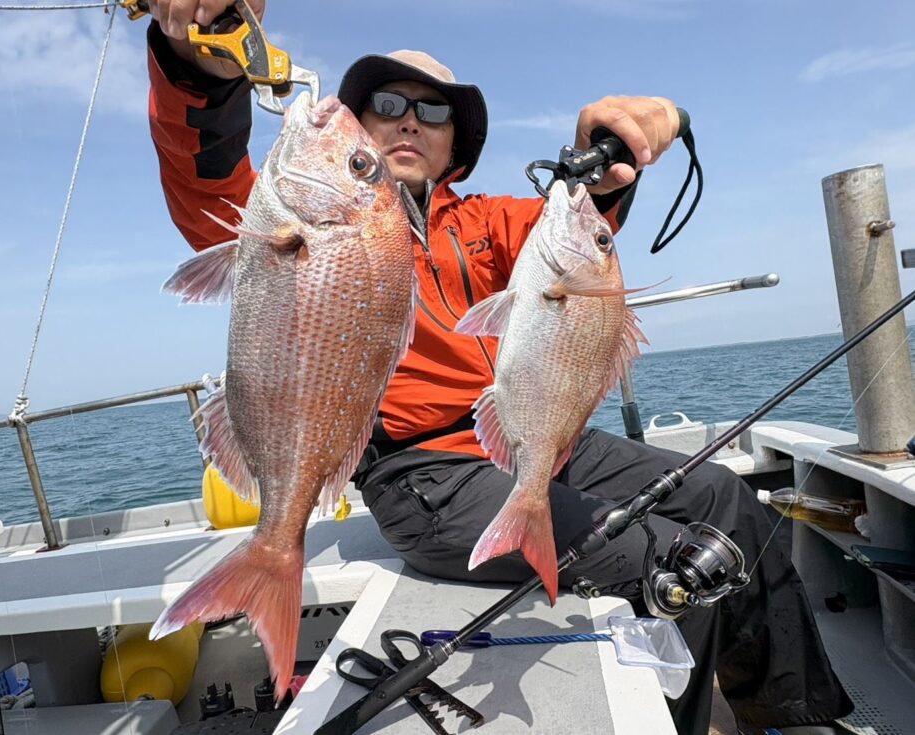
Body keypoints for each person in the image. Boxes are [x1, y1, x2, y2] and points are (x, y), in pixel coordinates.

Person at [144, 2, 855, 733]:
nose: (410, 120)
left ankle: (791, 714)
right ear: (358, 123)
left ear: (457, 143)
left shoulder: (489, 222)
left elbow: (574, 243)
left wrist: (610, 159)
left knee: (722, 497)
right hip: (426, 475)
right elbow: (207, 185)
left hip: (530, 440)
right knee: (677, 557)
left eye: (433, 110)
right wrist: (198, 70)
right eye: (387, 105)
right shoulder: (298, 207)